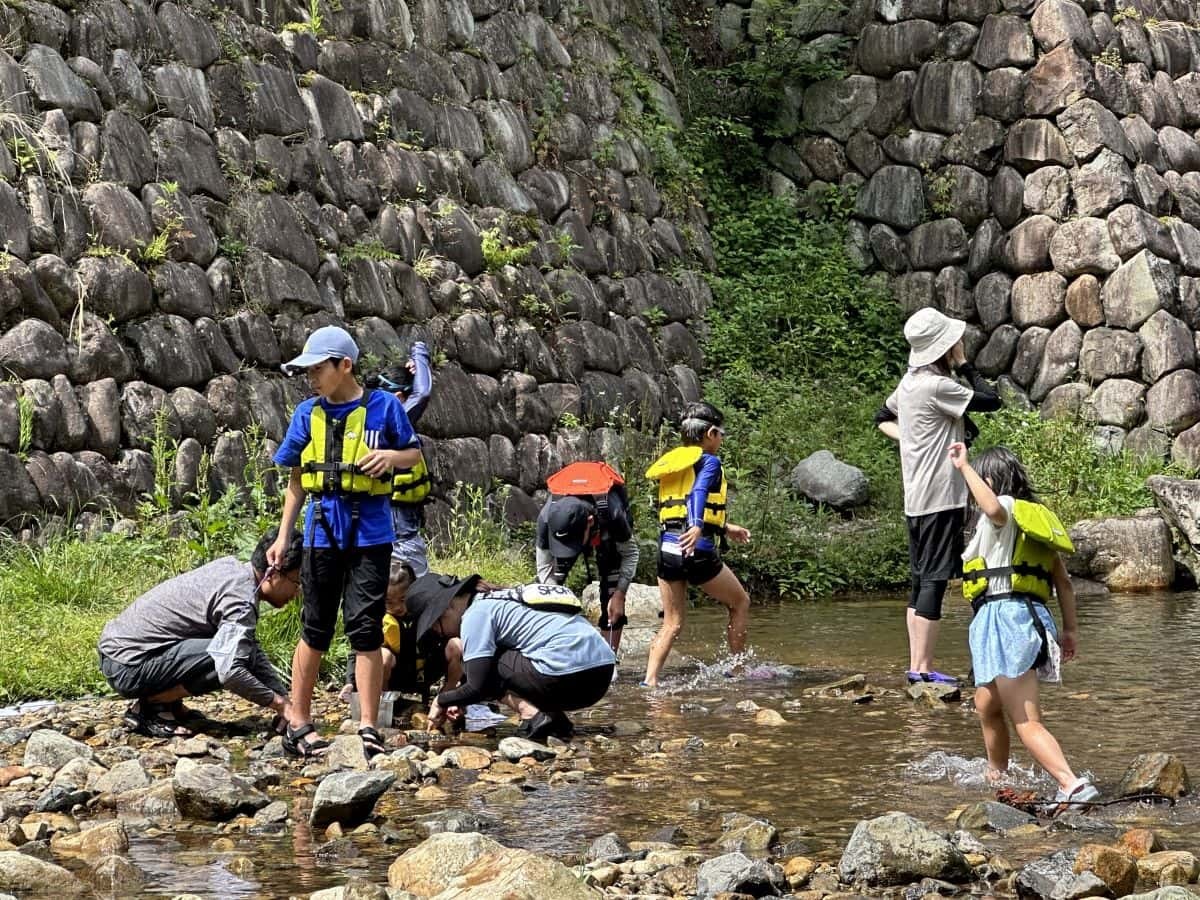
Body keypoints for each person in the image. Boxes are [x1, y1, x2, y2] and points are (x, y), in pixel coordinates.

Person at [270, 325, 423, 758]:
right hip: (322, 533)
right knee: (314, 628)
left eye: (318, 369)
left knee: (366, 629)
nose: (312, 377)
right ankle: (298, 721)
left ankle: (368, 725)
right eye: (308, 370)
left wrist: (391, 457)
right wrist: (284, 536)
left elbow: (412, 453)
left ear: (345, 365)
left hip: (372, 535)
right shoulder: (307, 414)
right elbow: (297, 482)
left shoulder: (384, 409)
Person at [949, 442, 1099, 806]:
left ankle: (1071, 784)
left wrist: (963, 467)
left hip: (1007, 620)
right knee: (985, 702)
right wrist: (1070, 630)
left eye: (980, 480)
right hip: (1020, 619)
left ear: (989, 479)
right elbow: (1062, 582)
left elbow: (991, 506)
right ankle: (997, 775)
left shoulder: (1006, 511)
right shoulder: (1035, 519)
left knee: (1026, 719)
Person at [875, 308, 1001, 686]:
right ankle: (922, 670)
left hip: (917, 497)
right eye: (953, 343)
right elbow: (991, 400)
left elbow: (881, 416)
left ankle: (918, 665)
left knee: (920, 581)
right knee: (933, 581)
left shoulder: (911, 382)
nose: (957, 346)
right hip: (941, 497)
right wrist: (964, 363)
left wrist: (912, 439)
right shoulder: (937, 385)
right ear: (944, 347)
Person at [98, 528, 302, 738]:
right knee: (224, 657)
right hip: (127, 666)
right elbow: (229, 670)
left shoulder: (233, 570)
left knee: (237, 649)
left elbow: (250, 647)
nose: (297, 593)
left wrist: (285, 700)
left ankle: (168, 703)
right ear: (273, 573)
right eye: (297, 583)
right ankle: (150, 707)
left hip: (120, 655)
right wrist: (279, 705)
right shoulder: (241, 599)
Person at [413, 574, 616, 742]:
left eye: (436, 628)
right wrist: (460, 699)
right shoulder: (499, 596)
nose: (442, 635)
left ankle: (534, 717)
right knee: (506, 659)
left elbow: (479, 686)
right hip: (601, 674)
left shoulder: (476, 614)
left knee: (483, 665)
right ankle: (557, 723)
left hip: (565, 675)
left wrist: (442, 700)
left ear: (446, 608)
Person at [641, 401, 751, 688]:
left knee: (672, 622)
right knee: (740, 602)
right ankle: (738, 670)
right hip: (695, 548)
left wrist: (725, 528)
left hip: (667, 549)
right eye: (721, 433)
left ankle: (649, 681)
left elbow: (677, 507)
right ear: (710, 433)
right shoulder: (709, 461)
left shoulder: (675, 463)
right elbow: (698, 492)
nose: (722, 439)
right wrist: (698, 525)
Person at [536, 461, 639, 653]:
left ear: (590, 522)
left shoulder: (613, 513)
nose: (570, 548)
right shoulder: (546, 518)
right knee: (547, 595)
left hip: (607, 534)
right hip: (575, 526)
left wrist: (620, 594)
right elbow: (543, 569)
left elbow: (631, 554)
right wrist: (555, 602)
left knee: (612, 590)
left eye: (574, 541)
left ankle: (609, 658)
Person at [340, 561, 463, 705]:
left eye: (403, 600)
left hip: (425, 671)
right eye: (389, 602)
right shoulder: (377, 618)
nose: (397, 607)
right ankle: (382, 702)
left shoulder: (426, 610)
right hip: (395, 676)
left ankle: (446, 699)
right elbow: (358, 650)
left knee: (457, 645)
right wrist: (350, 682)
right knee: (382, 656)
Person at [367, 341, 434, 577]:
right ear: (397, 396)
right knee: (417, 589)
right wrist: (419, 353)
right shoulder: (393, 414)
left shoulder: (368, 412)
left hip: (388, 517)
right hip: (400, 526)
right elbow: (423, 393)